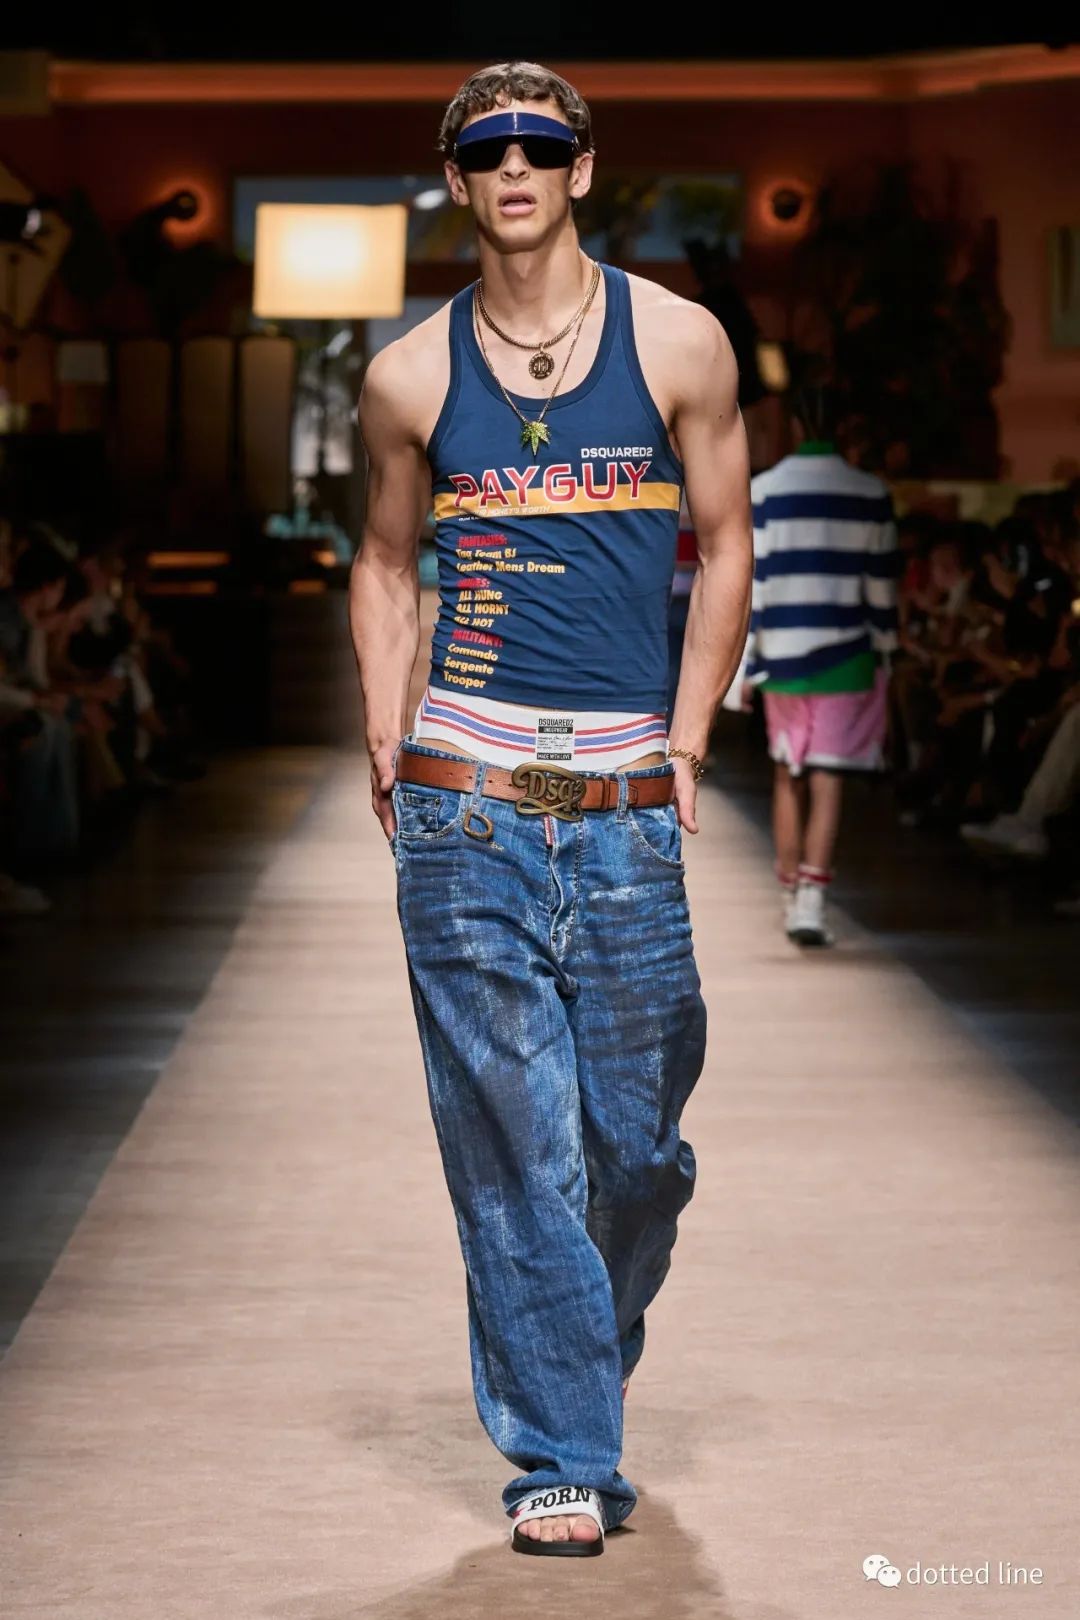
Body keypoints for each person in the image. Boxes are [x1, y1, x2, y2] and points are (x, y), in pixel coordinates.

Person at [349, 61, 751, 1557]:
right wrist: (385, 731)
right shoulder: (408, 376)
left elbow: (726, 541)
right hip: (465, 804)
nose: (513, 168)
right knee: (517, 1149)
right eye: (486, 149)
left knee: (633, 1152)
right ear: (457, 178)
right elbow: (385, 560)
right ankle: (562, 1458)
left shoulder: (679, 343)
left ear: (582, 168)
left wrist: (692, 743)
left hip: (629, 804)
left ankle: (577, 1337)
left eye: (539, 145)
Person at [734, 383, 899, 946]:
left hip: (782, 652)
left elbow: (753, 586)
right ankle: (812, 898)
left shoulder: (763, 491)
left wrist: (745, 663)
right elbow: (880, 589)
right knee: (828, 778)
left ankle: (790, 893)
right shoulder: (871, 493)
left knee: (788, 773)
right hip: (847, 652)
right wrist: (887, 646)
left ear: (796, 426)